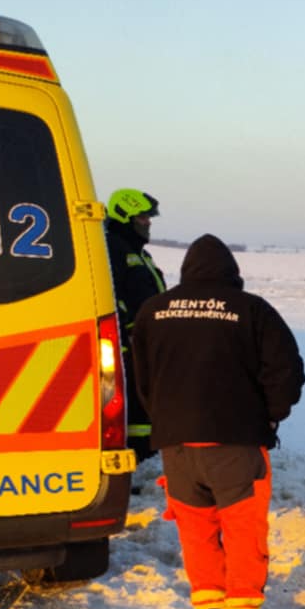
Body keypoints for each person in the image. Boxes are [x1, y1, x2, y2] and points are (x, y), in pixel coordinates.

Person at [132, 235, 305, 609]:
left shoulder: (153, 310)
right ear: (233, 272)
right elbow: (287, 371)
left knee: (196, 530)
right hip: (235, 443)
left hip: (176, 446)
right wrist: (271, 418)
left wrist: (165, 418)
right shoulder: (251, 310)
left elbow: (141, 374)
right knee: (243, 530)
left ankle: (210, 608)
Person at [103, 188, 169, 460]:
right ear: (125, 217)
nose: (148, 223)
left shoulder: (140, 254)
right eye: (143, 218)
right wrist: (128, 331)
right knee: (132, 408)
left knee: (145, 404)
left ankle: (142, 455)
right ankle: (133, 458)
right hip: (128, 345)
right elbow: (111, 296)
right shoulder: (112, 249)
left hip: (147, 342)